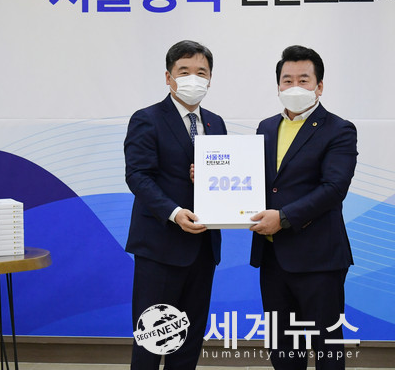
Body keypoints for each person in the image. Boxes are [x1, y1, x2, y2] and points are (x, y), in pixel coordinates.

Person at [249, 45, 358, 370]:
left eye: (303, 79)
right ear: (278, 86)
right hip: (273, 257)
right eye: (287, 80)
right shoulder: (266, 127)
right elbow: (254, 180)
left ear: (319, 86)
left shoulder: (339, 129)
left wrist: (283, 218)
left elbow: (333, 188)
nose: (294, 86)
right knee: (282, 349)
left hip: (318, 257)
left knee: (326, 348)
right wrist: (209, 176)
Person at [124, 40, 226, 370]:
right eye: (184, 71)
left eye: (201, 72)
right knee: (153, 338)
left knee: (189, 340)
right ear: (169, 77)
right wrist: (175, 212)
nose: (193, 79)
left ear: (210, 79)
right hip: (160, 247)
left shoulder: (216, 123)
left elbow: (225, 176)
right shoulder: (147, 119)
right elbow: (138, 176)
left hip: (203, 247)